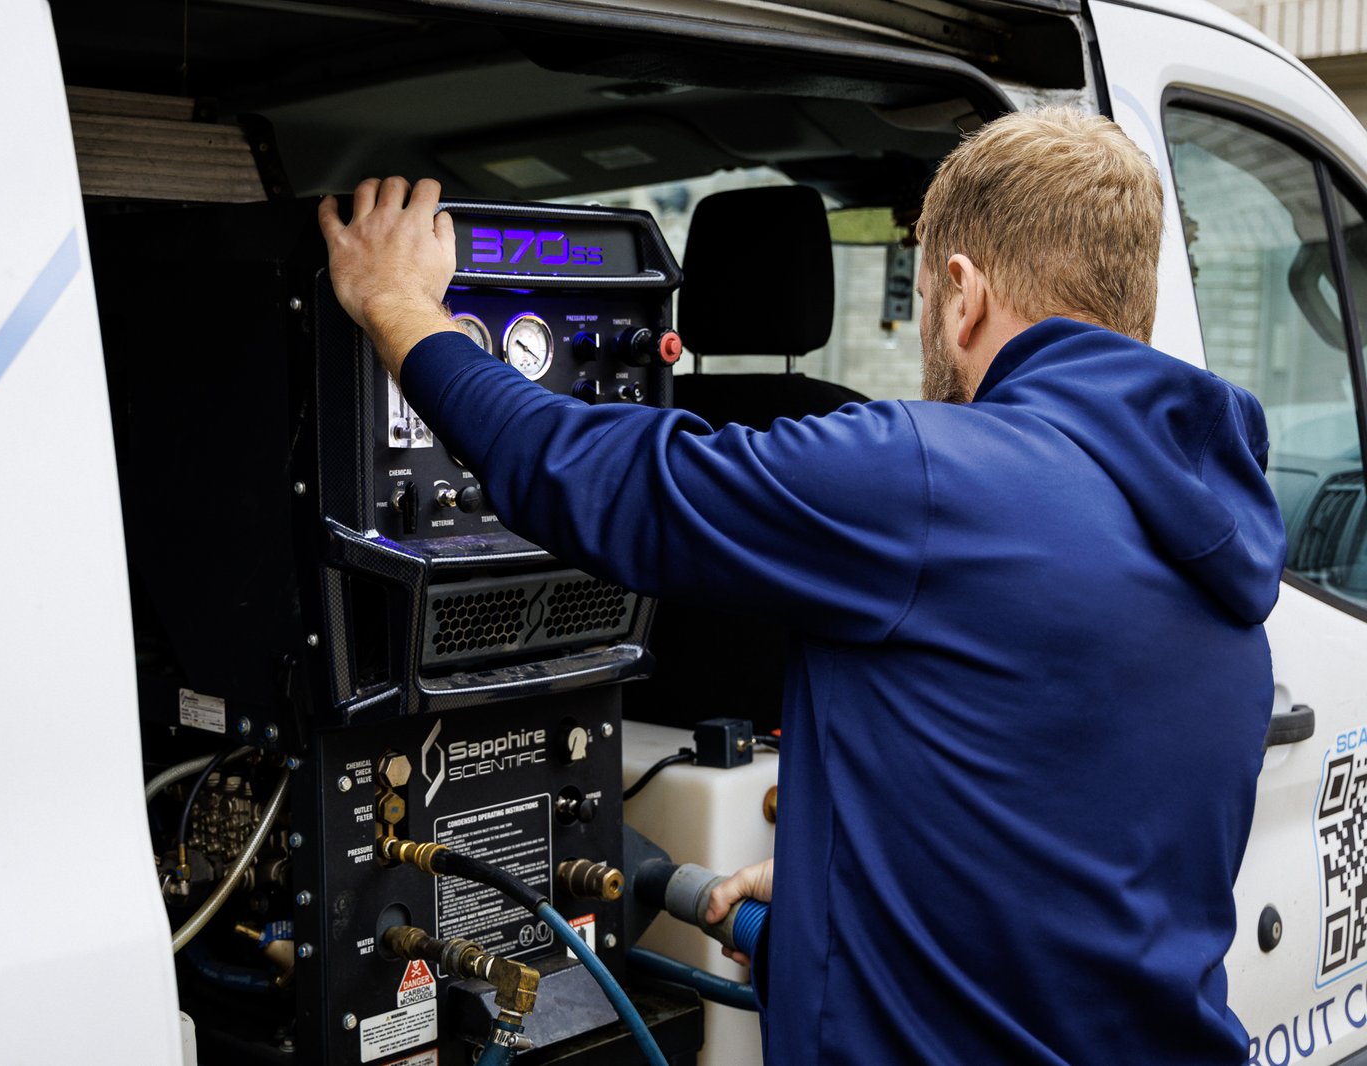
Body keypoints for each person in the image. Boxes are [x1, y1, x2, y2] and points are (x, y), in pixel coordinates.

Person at [319, 107, 1286, 1064]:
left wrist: (401, 308)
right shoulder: (1212, 521)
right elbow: (1082, 825)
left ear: (961, 294)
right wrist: (857, 875)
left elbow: (603, 479)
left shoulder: (928, 476)